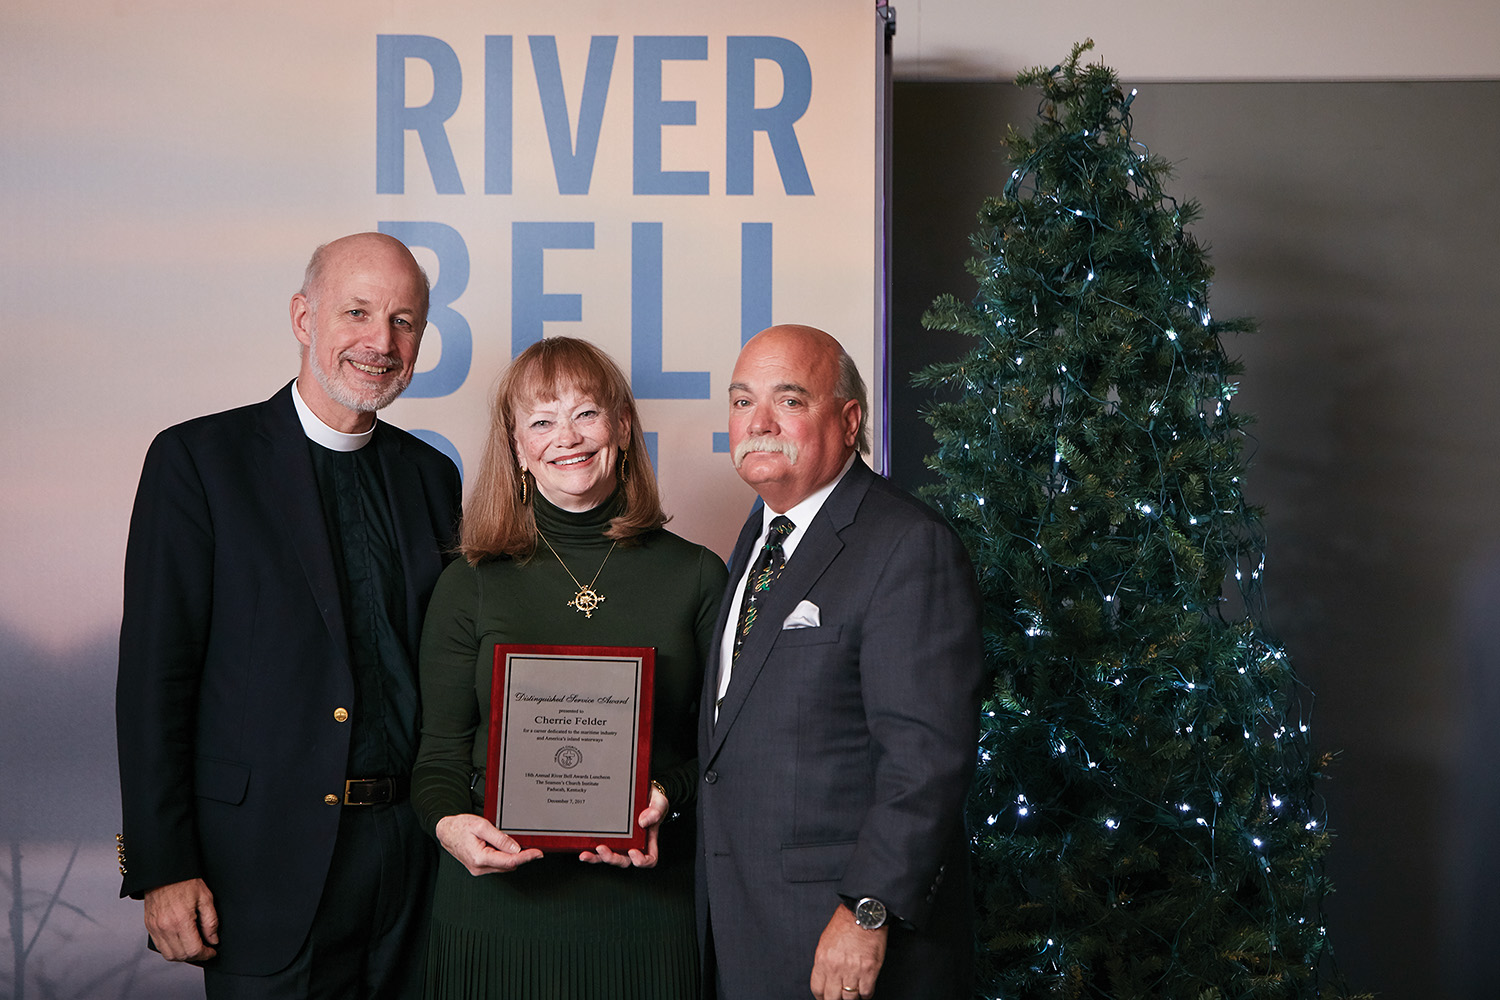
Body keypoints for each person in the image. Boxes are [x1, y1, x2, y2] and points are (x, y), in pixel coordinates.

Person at [114, 232, 462, 998]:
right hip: (261, 870)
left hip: (413, 869)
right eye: (358, 313)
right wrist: (163, 866)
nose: (381, 342)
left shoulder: (431, 477)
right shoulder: (199, 462)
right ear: (304, 318)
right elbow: (153, 682)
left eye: (404, 321)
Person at [413, 336, 728, 999]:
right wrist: (448, 825)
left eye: (586, 412)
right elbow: (438, 755)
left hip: (645, 912)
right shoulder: (470, 581)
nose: (567, 437)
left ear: (622, 426)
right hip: (495, 912)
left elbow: (725, 750)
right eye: (541, 420)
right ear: (516, 446)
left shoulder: (698, 575)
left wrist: (667, 796)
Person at [698, 324, 986, 1000]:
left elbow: (926, 760)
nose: (758, 423)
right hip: (749, 923)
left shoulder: (907, 543)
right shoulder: (763, 532)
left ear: (850, 421)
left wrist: (867, 910)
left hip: (844, 936)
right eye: (742, 402)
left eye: (789, 400)